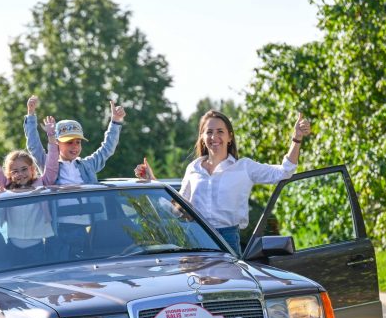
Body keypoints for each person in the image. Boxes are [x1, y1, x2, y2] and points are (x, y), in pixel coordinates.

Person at [135, 109, 311, 256]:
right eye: (209, 132)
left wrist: (296, 139)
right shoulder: (193, 168)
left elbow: (285, 171)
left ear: (229, 137)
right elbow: (179, 210)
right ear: (202, 137)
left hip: (228, 238)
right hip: (196, 237)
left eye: (220, 131)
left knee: (228, 291)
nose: (214, 136)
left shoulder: (244, 167)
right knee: (199, 291)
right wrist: (153, 182)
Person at [0, 117, 59, 265]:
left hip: (37, 247)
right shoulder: (7, 186)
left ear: (32, 169)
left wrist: (51, 136)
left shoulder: (42, 184)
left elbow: (53, 165)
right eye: (15, 171)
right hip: (13, 247)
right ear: (9, 174)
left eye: (24, 169)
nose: (20, 174)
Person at [24, 95, 126, 185]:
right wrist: (30, 114)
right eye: (69, 142)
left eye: (78, 142)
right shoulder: (48, 163)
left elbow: (107, 148)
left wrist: (115, 121)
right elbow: (34, 146)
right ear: (57, 143)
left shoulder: (87, 165)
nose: (75, 146)